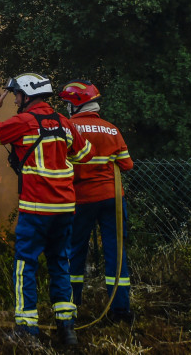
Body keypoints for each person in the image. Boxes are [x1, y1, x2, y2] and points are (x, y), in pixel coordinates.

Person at [0, 73, 94, 345]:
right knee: (60, 264)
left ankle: (26, 330)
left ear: (27, 94)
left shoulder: (23, 122)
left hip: (35, 209)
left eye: (17, 94)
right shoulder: (64, 123)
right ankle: (67, 330)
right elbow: (84, 154)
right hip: (65, 209)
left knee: (25, 264)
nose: (16, 98)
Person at [58, 80, 135, 324]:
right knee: (116, 252)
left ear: (75, 105)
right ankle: (120, 310)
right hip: (113, 198)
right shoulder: (112, 129)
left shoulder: (69, 128)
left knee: (74, 252)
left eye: (68, 104)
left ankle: (71, 307)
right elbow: (127, 165)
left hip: (81, 200)